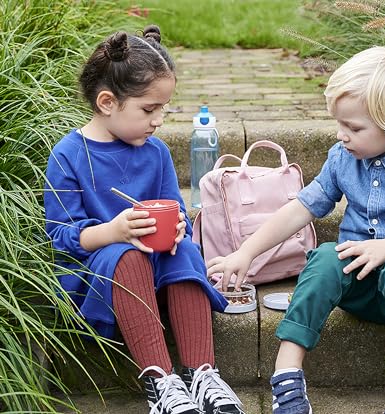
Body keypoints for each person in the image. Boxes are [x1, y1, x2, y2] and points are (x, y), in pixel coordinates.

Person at [207, 46, 385, 414]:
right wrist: (246, 252)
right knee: (325, 258)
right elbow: (301, 208)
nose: (341, 135)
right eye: (339, 124)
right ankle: (287, 375)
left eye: (354, 127)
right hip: (360, 284)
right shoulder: (343, 157)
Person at [44, 25, 245, 414]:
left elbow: (174, 208)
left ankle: (202, 374)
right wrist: (113, 231)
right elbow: (61, 237)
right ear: (106, 102)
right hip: (94, 276)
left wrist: (178, 230)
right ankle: (160, 381)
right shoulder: (68, 155)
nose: (158, 120)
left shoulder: (155, 153)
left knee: (185, 249)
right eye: (149, 109)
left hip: (153, 269)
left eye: (164, 109)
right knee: (127, 254)